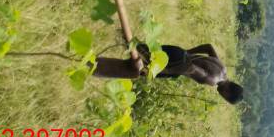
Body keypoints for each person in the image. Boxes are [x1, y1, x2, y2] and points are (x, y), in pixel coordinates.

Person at [93, 42, 244, 104]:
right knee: (134, 69)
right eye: (226, 97)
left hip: (178, 53)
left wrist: (187, 52)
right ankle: (93, 67)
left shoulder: (223, 69)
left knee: (137, 49)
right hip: (174, 63)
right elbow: (189, 68)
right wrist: (159, 70)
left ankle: (94, 63)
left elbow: (208, 47)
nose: (222, 96)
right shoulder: (213, 80)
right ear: (228, 93)